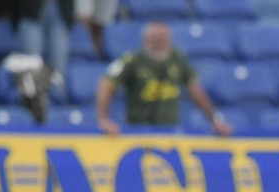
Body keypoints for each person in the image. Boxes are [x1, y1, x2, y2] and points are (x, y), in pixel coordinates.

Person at [97, 21, 232, 136]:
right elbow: (107, 83)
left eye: (164, 40)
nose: (160, 44)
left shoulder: (178, 60)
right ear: (146, 41)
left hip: (170, 132)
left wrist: (214, 120)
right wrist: (104, 119)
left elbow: (196, 91)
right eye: (156, 40)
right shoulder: (132, 60)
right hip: (138, 131)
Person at [13, 0, 71, 77]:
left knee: (58, 69)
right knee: (32, 64)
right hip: (31, 10)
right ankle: (32, 88)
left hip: (60, 9)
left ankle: (56, 88)